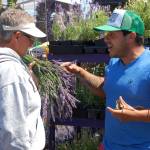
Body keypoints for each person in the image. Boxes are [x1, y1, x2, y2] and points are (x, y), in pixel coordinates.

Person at [62, 9, 150, 150]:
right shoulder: (114, 62)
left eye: (112, 35)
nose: (105, 39)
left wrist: (136, 116)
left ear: (131, 36)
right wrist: (79, 72)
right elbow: (107, 88)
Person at [0, 8, 46, 149]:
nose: (32, 44)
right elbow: (14, 136)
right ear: (17, 36)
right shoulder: (12, 72)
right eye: (31, 39)